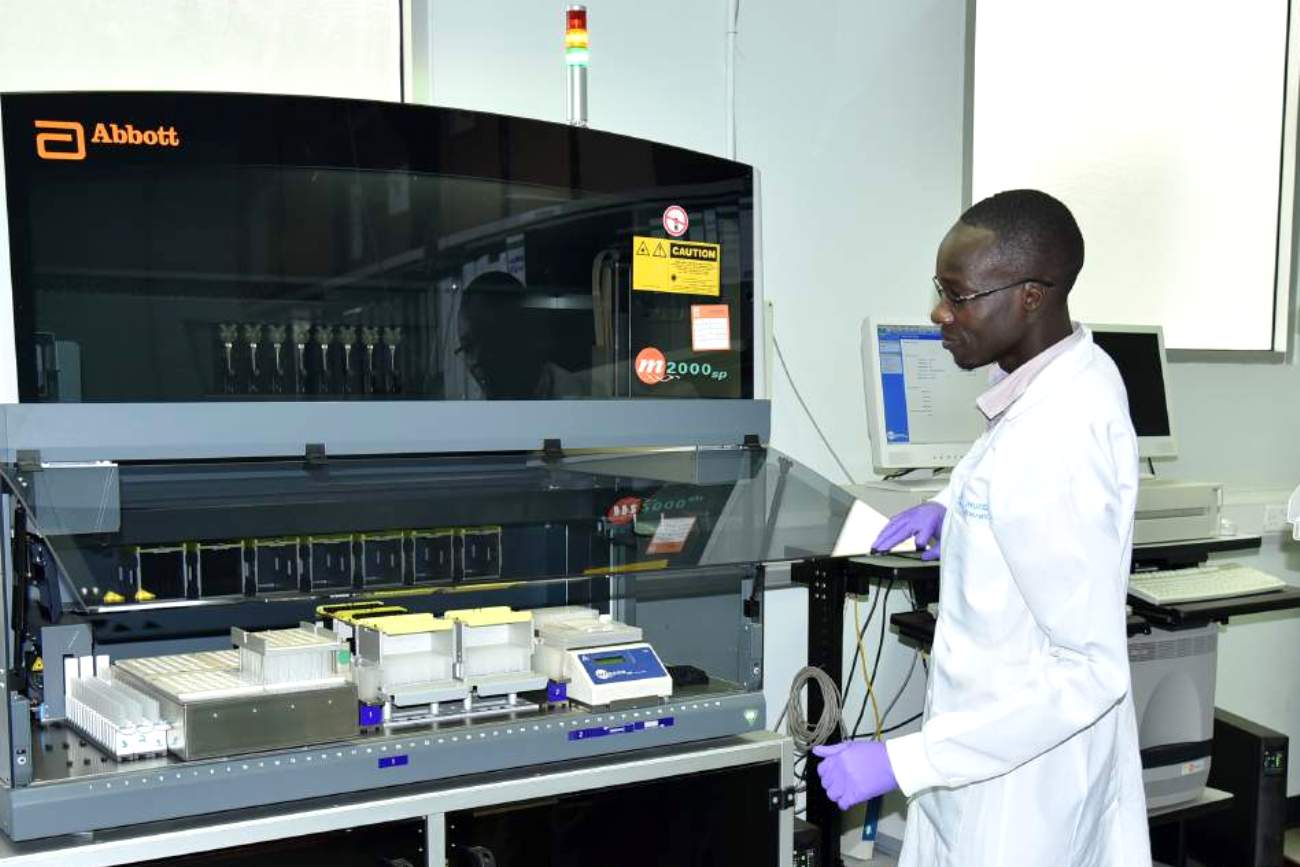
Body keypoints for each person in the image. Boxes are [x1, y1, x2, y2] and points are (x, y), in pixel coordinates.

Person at [815, 190, 1150, 866]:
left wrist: (904, 760)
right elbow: (1001, 455)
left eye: (959, 296)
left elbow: (1092, 672)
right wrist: (953, 500)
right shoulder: (1066, 369)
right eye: (940, 289)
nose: (939, 312)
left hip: (1019, 794)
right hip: (991, 762)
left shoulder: (1057, 439)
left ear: (1029, 295)